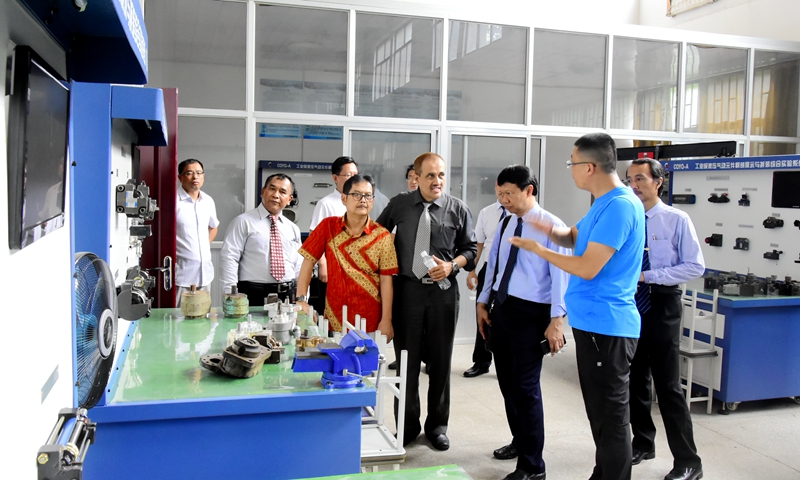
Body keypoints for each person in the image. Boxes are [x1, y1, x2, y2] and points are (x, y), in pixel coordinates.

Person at [510, 133, 644, 480]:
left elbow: (587, 266)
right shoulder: (603, 203)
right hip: (593, 324)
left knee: (611, 419)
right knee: (600, 415)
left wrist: (540, 250)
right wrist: (546, 228)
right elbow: (573, 237)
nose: (570, 169)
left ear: (590, 167)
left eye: (572, 163)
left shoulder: (620, 206)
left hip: (607, 326)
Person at [376, 152, 477, 451]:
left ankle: (437, 427)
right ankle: (406, 427)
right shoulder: (399, 204)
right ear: (416, 177)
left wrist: (452, 265)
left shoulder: (458, 209)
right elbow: (377, 236)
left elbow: (470, 251)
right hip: (407, 292)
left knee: (441, 363)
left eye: (441, 175)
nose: (437, 180)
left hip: (443, 294)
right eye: (430, 175)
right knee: (406, 363)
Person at [477, 166, 570, 480]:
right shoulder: (506, 221)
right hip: (502, 308)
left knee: (526, 388)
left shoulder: (552, 227)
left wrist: (557, 320)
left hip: (533, 314)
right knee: (507, 383)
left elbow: (561, 276)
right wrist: (483, 302)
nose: (503, 200)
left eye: (509, 194)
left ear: (529, 190)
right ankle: (520, 440)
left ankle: (533, 466)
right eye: (500, 194)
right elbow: (495, 264)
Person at [626, 159, 705, 480]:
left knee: (668, 385)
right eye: (629, 179)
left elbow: (695, 265)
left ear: (658, 182)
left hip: (662, 303)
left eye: (640, 178)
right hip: (631, 303)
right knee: (634, 379)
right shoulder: (628, 218)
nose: (634, 185)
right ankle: (643, 442)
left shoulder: (676, 219)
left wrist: (649, 276)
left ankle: (689, 461)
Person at [296, 174, 398, 336]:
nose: (363, 200)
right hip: (336, 319)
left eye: (368, 196)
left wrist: (387, 320)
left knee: (370, 354)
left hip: (371, 321)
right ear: (344, 198)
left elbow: (387, 280)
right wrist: (301, 300)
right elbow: (308, 261)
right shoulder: (328, 226)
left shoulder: (382, 236)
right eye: (356, 194)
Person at [219, 173, 303, 305]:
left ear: (289, 199)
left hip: (287, 295)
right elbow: (229, 258)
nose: (276, 195)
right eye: (272, 189)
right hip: (253, 294)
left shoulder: (293, 228)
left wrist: (302, 296)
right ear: (263, 192)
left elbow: (299, 265)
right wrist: (231, 294)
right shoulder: (243, 222)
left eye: (282, 192)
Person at [463, 184, 505, 378]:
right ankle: (481, 361)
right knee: (482, 313)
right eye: (500, 190)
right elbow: (478, 244)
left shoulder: (520, 214)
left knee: (505, 317)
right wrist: (472, 270)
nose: (503, 195)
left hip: (511, 269)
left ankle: (505, 364)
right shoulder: (487, 212)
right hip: (489, 268)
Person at [309, 156, 359, 314]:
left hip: (354, 270)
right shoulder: (326, 203)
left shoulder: (359, 201)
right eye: (348, 175)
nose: (353, 179)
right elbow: (315, 238)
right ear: (335, 178)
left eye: (355, 175)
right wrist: (322, 264)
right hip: (333, 270)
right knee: (330, 314)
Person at [175, 159, 219, 307]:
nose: (195, 177)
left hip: (205, 274)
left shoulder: (208, 201)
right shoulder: (173, 201)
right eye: (189, 173)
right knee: (179, 317)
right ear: (180, 177)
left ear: (203, 176)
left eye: (199, 173)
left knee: (203, 316)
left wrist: (203, 247)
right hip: (182, 275)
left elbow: (213, 227)